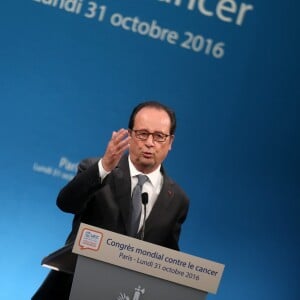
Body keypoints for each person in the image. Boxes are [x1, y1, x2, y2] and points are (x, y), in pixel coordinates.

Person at [32, 101, 189, 299]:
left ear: (170, 142)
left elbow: (167, 259)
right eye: (143, 134)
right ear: (130, 135)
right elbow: (66, 203)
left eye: (159, 136)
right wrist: (104, 166)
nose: (150, 142)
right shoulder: (99, 171)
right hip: (73, 289)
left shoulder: (178, 200)